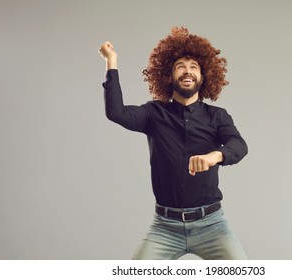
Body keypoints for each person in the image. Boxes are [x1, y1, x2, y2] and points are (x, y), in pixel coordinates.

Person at [98, 27, 248, 260]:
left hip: (212, 225)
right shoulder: (154, 113)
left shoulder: (217, 116)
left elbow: (238, 145)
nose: (187, 72)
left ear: (203, 76)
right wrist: (112, 62)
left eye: (193, 67)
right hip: (165, 227)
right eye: (180, 67)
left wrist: (214, 156)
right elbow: (116, 113)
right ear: (169, 76)